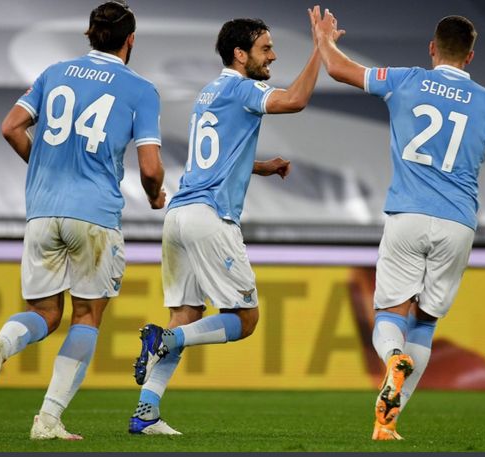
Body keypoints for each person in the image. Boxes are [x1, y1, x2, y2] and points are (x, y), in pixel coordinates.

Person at [312, 10, 485, 440]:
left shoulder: (404, 80)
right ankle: (386, 423)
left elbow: (336, 68)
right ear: (470, 56)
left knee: (390, 315)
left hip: (407, 216)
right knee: (425, 324)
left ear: (432, 48)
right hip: (458, 225)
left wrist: (324, 39)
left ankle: (392, 357)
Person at [0, 1, 165, 440]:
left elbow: (11, 126)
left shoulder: (54, 72)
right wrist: (155, 197)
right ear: (130, 39)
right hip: (93, 215)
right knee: (87, 315)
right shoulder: (140, 89)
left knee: (44, 313)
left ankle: (2, 344)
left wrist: (43, 169)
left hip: (41, 210)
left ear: (89, 35)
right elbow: (150, 168)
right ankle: (48, 419)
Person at [128, 8, 333, 435]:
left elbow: (217, 154)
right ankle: (166, 342)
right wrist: (321, 49)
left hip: (179, 215)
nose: (273, 57)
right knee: (245, 319)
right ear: (240, 54)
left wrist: (261, 167)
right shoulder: (243, 90)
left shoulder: (208, 92)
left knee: (184, 313)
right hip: (210, 219)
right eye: (266, 48)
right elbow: (294, 100)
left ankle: (146, 412)